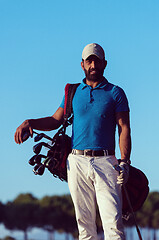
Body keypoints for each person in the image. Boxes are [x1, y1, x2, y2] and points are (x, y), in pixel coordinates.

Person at [14, 43, 131, 240]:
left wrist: (124, 161)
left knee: (113, 226)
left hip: (106, 161)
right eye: (89, 60)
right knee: (84, 227)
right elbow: (55, 119)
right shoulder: (73, 92)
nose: (93, 64)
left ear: (105, 64)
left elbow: (124, 128)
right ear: (82, 64)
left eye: (97, 60)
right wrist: (29, 122)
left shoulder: (115, 92)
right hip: (76, 162)